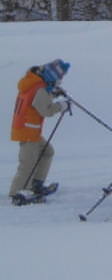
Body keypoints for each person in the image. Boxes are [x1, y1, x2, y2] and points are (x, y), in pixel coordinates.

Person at [11, 58, 69, 205]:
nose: (60, 80)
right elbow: (45, 109)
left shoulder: (34, 82)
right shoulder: (40, 88)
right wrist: (61, 106)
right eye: (59, 77)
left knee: (47, 152)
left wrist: (54, 93)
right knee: (27, 164)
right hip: (28, 131)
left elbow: (39, 98)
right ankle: (17, 193)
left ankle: (36, 184)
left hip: (29, 131)